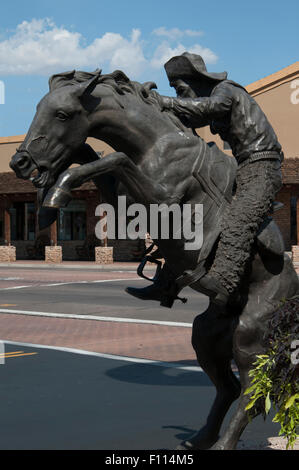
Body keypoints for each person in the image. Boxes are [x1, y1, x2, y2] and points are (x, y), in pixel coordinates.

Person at [126, 52, 283, 308]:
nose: (178, 96)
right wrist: (152, 107)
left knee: (238, 219)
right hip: (242, 165)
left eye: (179, 89)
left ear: (194, 81)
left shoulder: (226, 91)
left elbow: (210, 108)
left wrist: (165, 101)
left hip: (262, 165)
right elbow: (189, 119)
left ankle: (224, 280)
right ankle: (165, 285)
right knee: (194, 216)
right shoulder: (212, 98)